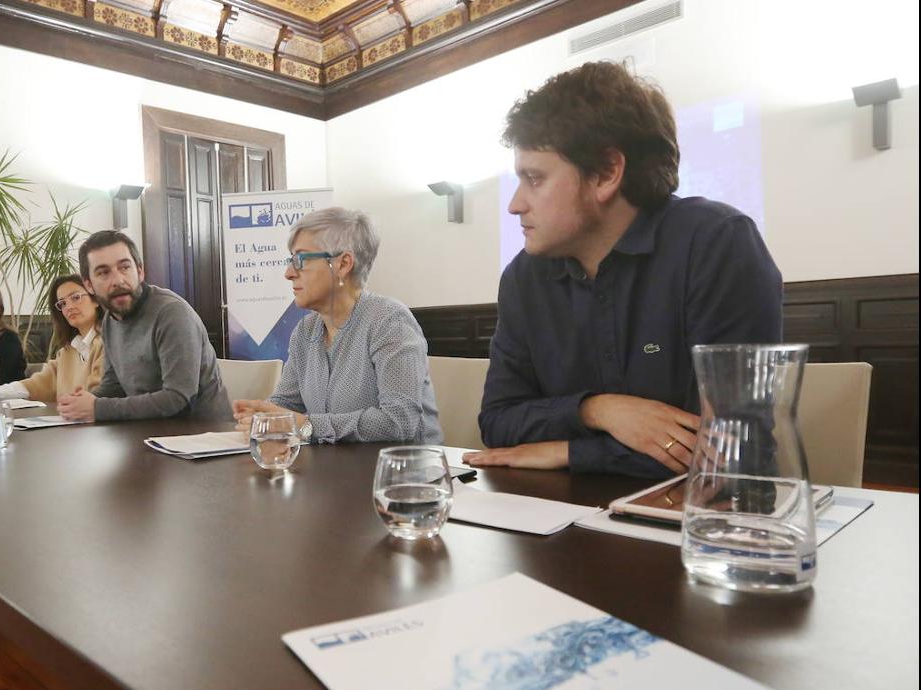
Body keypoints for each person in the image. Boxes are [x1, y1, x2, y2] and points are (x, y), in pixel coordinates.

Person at [465, 61, 782, 478]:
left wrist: (567, 451)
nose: (515, 203)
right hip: (561, 519)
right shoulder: (525, 277)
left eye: (534, 178)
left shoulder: (717, 243)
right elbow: (498, 422)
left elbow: (728, 450)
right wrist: (599, 410)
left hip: (703, 521)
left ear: (606, 173)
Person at [232, 208, 442, 444]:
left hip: (401, 474)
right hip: (332, 471)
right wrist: (263, 415)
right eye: (290, 260)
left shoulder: (390, 320)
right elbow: (287, 403)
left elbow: (399, 421)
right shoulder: (305, 330)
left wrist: (307, 426)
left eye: (300, 260)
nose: (288, 273)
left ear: (342, 264)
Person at [52, 230, 232, 422]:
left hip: (202, 437)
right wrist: (83, 401)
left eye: (124, 267)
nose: (118, 280)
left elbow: (178, 399)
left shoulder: (171, 313)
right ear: (88, 285)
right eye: (103, 273)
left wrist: (97, 407)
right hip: (147, 432)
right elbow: (114, 385)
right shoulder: (110, 321)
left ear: (140, 271)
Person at [0, 275, 104, 403]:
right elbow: (35, 385)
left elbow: (98, 394)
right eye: (63, 303)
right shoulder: (67, 352)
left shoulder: (107, 344)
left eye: (76, 297)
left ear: (96, 300)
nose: (69, 307)